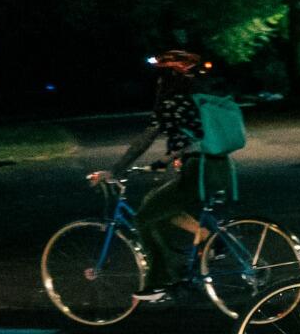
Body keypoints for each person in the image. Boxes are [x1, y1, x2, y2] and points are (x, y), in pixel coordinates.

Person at [86, 47, 217, 303]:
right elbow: (193, 137)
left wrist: (114, 170)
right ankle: (200, 243)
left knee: (144, 216)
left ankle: (160, 282)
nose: (157, 82)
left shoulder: (171, 101)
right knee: (155, 205)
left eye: (160, 76)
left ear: (167, 77)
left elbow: (145, 139)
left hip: (196, 169)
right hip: (212, 166)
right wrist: (164, 161)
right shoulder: (195, 96)